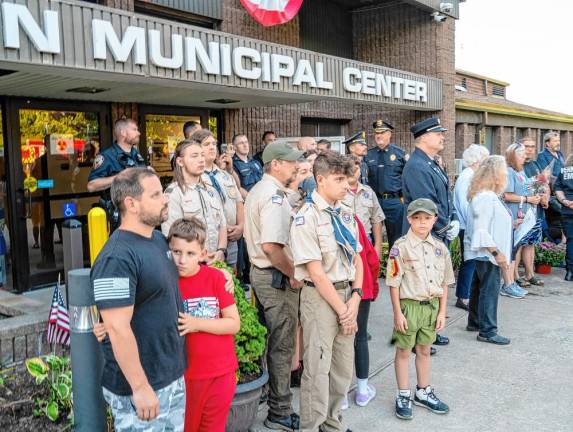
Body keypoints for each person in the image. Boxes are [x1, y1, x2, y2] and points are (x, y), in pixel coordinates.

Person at [91, 168, 187, 431]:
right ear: (131, 204)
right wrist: (140, 386)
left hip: (170, 376)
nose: (165, 199)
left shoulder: (157, 239)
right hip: (141, 388)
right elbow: (117, 328)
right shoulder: (116, 258)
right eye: (156, 195)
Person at [290, 151, 363, 432]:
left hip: (347, 295)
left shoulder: (345, 213)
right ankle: (312, 425)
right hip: (320, 298)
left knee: (343, 367)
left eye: (348, 179)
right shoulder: (305, 217)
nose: (347, 185)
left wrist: (355, 297)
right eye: (340, 179)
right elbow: (317, 273)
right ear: (320, 180)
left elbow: (356, 257)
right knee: (318, 370)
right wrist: (344, 310)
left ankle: (333, 423)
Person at [243, 141, 304, 431]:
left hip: (264, 275)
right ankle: (279, 411)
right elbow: (271, 246)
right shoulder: (274, 197)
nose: (295, 166)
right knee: (282, 345)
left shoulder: (260, 190)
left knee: (272, 341)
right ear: (276, 164)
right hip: (275, 277)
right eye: (291, 162)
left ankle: (270, 395)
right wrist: (293, 273)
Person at [170, 218, 240, 432]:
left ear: (203, 254)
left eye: (190, 253)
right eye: (176, 252)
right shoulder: (166, 280)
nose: (182, 260)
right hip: (185, 377)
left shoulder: (216, 278)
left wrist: (196, 324)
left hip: (221, 373)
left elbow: (233, 323)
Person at [386, 198, 453, 420]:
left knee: (424, 350)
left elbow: (444, 282)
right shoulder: (400, 247)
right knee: (404, 351)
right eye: (417, 218)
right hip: (409, 307)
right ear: (409, 219)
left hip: (431, 307)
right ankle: (403, 393)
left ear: (435, 219)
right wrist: (397, 313)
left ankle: (423, 391)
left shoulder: (440, 249)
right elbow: (393, 283)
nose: (422, 223)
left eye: (426, 218)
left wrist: (442, 311)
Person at [402, 117, 457, 347]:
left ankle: (429, 328)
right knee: (419, 285)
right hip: (425, 232)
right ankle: (415, 335)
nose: (443, 136)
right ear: (424, 137)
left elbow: (445, 195)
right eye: (438, 133)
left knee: (432, 282)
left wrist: (452, 218)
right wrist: (444, 224)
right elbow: (426, 204)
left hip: (436, 231)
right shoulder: (417, 166)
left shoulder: (431, 162)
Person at [341, 155, 384, 409]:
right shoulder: (346, 218)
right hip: (358, 281)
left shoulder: (367, 194)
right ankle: (359, 390)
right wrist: (372, 279)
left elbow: (377, 223)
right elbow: (368, 259)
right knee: (355, 337)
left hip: (355, 278)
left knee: (349, 338)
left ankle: (348, 393)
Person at [464, 156, 512, 345]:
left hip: (483, 251)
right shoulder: (486, 197)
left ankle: (475, 321)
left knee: (478, 287)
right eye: (504, 171)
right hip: (487, 252)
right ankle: (488, 330)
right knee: (489, 290)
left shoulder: (484, 194)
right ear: (496, 174)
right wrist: (497, 253)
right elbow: (481, 229)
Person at [162, 139, 227, 264]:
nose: (201, 160)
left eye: (202, 155)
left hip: (216, 261)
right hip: (191, 265)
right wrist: (200, 257)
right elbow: (172, 236)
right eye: (194, 156)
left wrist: (221, 250)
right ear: (180, 161)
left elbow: (222, 224)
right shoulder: (174, 193)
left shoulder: (211, 190)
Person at [193, 129, 244, 269]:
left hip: (232, 240)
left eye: (214, 144)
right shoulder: (194, 178)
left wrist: (241, 226)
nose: (212, 147)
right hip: (208, 243)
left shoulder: (225, 175)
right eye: (206, 144)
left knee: (232, 282)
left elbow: (238, 201)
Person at [87, 118, 147, 231]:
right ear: (123, 133)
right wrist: (119, 177)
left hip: (138, 215)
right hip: (118, 219)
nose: (138, 133)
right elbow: (91, 186)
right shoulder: (107, 156)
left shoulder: (137, 155)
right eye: (134, 129)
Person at [502, 143, 543, 298]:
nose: (525, 157)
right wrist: (527, 198)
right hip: (513, 218)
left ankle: (511, 283)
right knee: (512, 251)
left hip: (523, 219)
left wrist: (538, 186)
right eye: (521, 154)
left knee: (515, 249)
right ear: (513, 156)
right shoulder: (510, 172)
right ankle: (509, 283)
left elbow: (528, 188)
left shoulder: (521, 171)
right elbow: (506, 195)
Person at [453, 144, 490, 311]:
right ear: (477, 160)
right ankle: (463, 296)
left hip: (471, 224)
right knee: (470, 261)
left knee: (472, 261)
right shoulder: (467, 177)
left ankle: (466, 294)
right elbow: (465, 204)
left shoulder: (471, 175)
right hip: (468, 226)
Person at [365, 119, 407, 249]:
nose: (379, 136)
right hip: (374, 201)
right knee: (371, 237)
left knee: (396, 239)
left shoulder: (400, 154)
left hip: (394, 201)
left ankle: (394, 268)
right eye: (377, 133)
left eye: (382, 132)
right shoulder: (368, 155)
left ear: (390, 134)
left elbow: (408, 178)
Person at [554, 154, 573, 281]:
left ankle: (570, 271)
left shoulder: (564, 170)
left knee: (571, 240)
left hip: (568, 209)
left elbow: (557, 189)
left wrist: (565, 201)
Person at [232, 134, 263, 198]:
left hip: (262, 199)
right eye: (241, 143)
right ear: (234, 147)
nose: (245, 145)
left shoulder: (256, 162)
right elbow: (237, 187)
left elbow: (264, 181)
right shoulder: (232, 164)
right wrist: (252, 200)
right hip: (247, 203)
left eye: (246, 142)